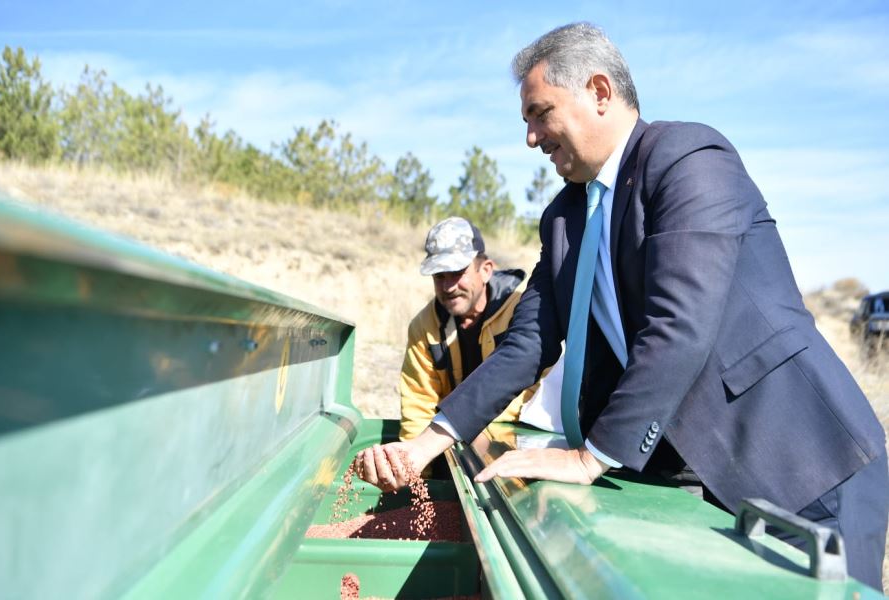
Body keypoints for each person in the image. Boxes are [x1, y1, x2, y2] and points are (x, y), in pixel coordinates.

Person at [356, 22, 888, 589]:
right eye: (527, 121)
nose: (531, 139)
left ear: (600, 92)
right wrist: (426, 445)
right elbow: (527, 345)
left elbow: (679, 326)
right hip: (696, 484)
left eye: (540, 113)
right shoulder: (565, 217)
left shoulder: (688, 159)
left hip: (800, 468)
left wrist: (590, 458)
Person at [399, 216, 545, 441]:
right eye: (439, 276)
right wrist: (411, 469)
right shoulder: (424, 327)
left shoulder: (521, 313)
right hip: (450, 441)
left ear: (486, 270)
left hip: (518, 439)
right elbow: (418, 404)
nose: (448, 287)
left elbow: (539, 388)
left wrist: (472, 425)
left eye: (457, 272)